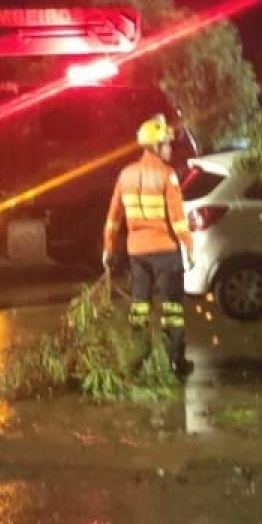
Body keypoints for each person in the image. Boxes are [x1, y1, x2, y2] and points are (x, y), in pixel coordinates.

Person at [103, 114, 195, 372]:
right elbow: (177, 218)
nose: (169, 148)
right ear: (155, 146)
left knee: (139, 306)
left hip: (137, 252)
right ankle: (176, 361)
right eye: (166, 144)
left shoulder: (125, 175)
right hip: (165, 250)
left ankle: (139, 359)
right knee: (173, 308)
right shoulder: (167, 175)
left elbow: (113, 218)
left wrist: (108, 248)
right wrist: (188, 246)